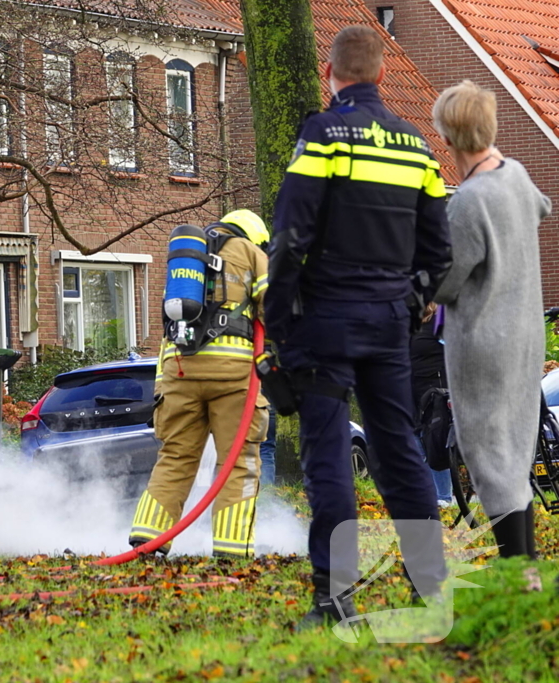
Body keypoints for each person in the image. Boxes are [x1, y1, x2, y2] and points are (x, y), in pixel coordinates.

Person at [265, 26, 452, 627]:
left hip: (327, 321)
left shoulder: (323, 135)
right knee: (399, 452)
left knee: (327, 454)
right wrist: (409, 305)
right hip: (389, 326)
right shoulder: (416, 147)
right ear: (382, 75)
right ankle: (433, 588)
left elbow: (290, 237)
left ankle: (334, 599)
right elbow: (439, 251)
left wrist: (278, 325)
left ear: (331, 74)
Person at [431, 80, 550, 559]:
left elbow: (444, 282)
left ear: (447, 137)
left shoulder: (468, 201)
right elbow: (542, 206)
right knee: (515, 453)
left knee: (489, 458)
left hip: (484, 344)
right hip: (526, 336)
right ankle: (527, 568)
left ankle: (519, 570)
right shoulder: (515, 175)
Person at [129, 209, 270, 558]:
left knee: (175, 457)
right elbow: (277, 310)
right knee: (238, 462)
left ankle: (146, 538)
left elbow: (169, 331)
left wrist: (161, 390)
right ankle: (232, 550)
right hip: (233, 378)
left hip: (178, 376)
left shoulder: (187, 264)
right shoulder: (252, 253)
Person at [410, 302, 454, 506]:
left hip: (435, 393)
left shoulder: (440, 322)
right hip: (410, 392)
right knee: (415, 440)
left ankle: (443, 496)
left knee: (433, 442)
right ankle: (427, 495)